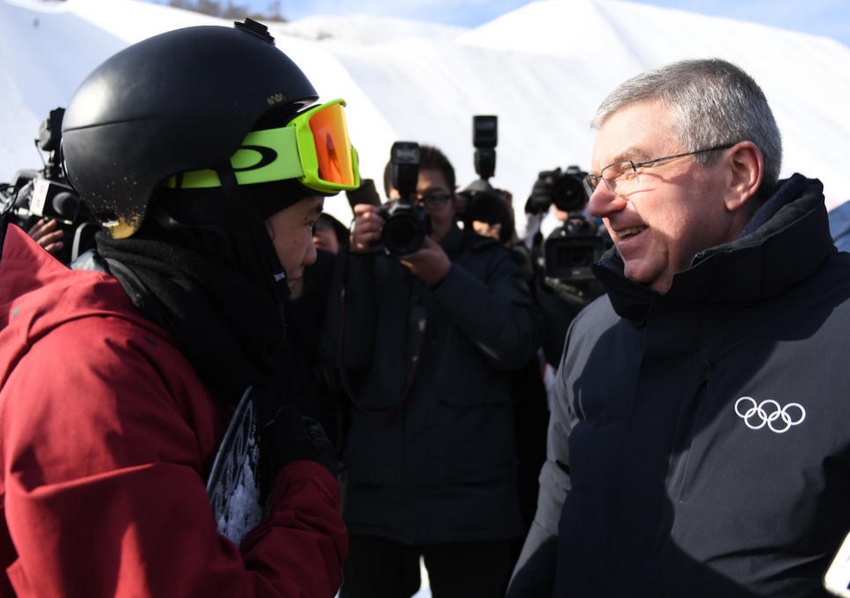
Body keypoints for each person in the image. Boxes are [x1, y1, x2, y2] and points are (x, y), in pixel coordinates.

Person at [0, 19, 359, 597]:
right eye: (307, 223)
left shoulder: (183, 345)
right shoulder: (96, 379)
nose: (313, 253)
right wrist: (306, 503)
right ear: (227, 219)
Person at [507, 57, 850, 597]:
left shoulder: (841, 324)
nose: (599, 203)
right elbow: (556, 515)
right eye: (598, 178)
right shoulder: (597, 329)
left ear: (738, 175)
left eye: (632, 169)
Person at [324, 144, 541, 598]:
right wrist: (359, 261)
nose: (423, 212)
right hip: (375, 498)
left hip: (471, 505)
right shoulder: (366, 261)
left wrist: (446, 277)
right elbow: (343, 358)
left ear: (455, 200)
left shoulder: (489, 261)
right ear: (385, 204)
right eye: (409, 201)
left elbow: (516, 345)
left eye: (435, 199)